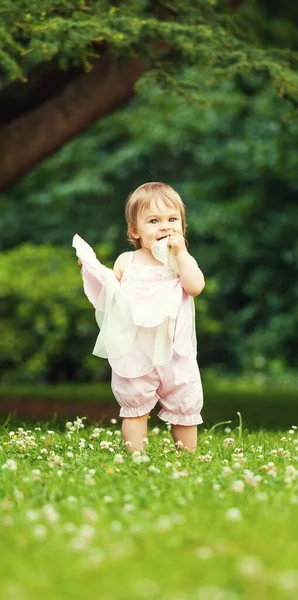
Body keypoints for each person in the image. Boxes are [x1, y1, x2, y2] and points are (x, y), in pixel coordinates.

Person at [73, 182, 205, 453]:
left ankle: (188, 456)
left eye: (172, 219)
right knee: (134, 404)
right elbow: (112, 295)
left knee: (183, 399)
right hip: (137, 349)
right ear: (136, 230)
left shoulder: (181, 261)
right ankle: (136, 455)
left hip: (174, 350)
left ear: (182, 226)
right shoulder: (127, 261)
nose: (165, 226)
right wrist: (93, 270)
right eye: (154, 221)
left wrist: (181, 254)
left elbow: (195, 287)